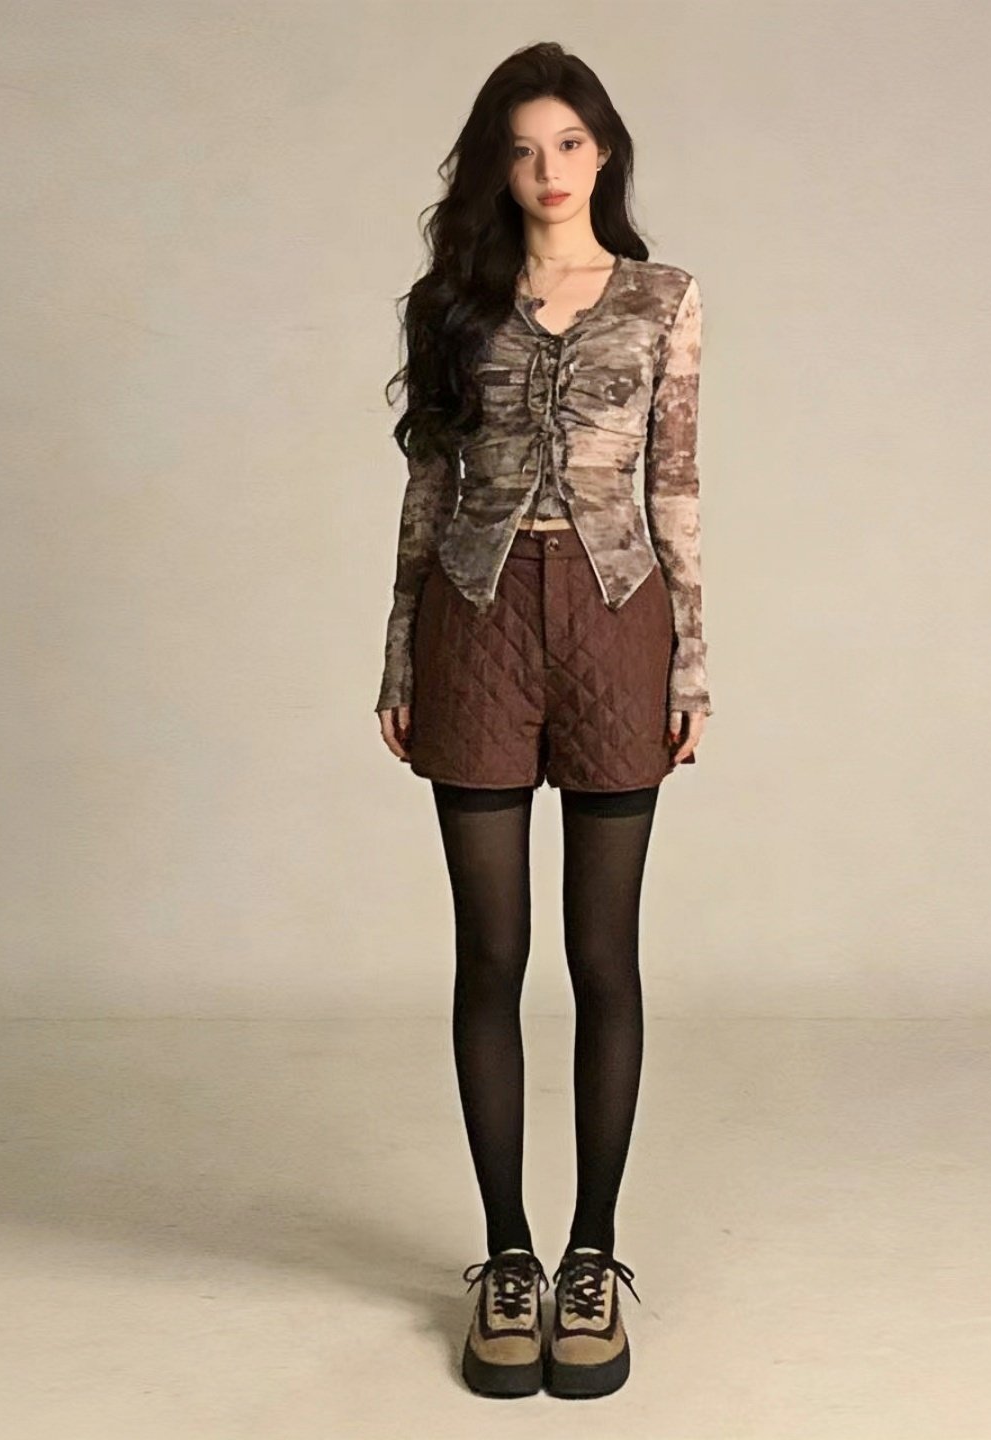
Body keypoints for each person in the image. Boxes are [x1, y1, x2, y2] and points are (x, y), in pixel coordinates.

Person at [373, 41, 712, 1400]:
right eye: (521, 149)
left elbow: (678, 485)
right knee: (492, 954)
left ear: (604, 150)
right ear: (494, 167)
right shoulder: (452, 304)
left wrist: (692, 666)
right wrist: (398, 656)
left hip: (621, 621)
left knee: (603, 955)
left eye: (568, 143)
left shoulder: (662, 299)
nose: (547, 170)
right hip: (477, 621)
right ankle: (507, 1256)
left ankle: (591, 1256)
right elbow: (423, 495)